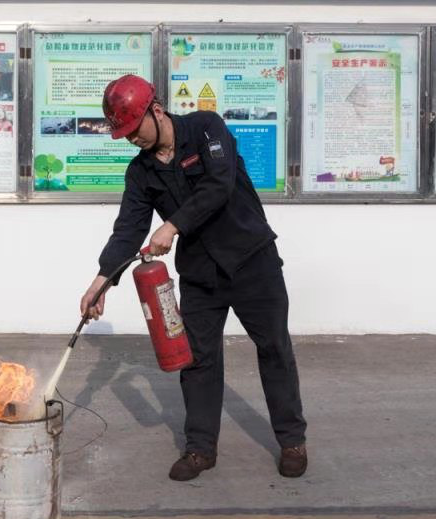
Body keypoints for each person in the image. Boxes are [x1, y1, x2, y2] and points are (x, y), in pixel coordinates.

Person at [79, 74, 307, 481]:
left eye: (135, 129)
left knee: (273, 347)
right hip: (201, 275)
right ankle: (200, 448)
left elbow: (220, 185)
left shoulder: (206, 127)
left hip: (253, 261)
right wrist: (101, 281)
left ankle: (291, 440)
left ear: (157, 110)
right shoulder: (140, 172)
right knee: (197, 359)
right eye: (125, 135)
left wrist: (172, 226)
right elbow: (128, 229)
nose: (132, 139)